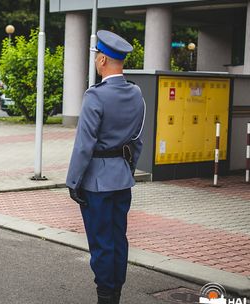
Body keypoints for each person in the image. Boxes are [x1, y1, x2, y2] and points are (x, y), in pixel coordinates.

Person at [66, 30, 145, 304]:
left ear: (101, 60)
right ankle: (116, 291)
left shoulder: (95, 96)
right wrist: (128, 171)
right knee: (118, 238)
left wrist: (73, 181)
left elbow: (83, 146)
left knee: (101, 241)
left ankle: (105, 296)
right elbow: (137, 141)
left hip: (96, 183)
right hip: (122, 179)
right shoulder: (136, 93)